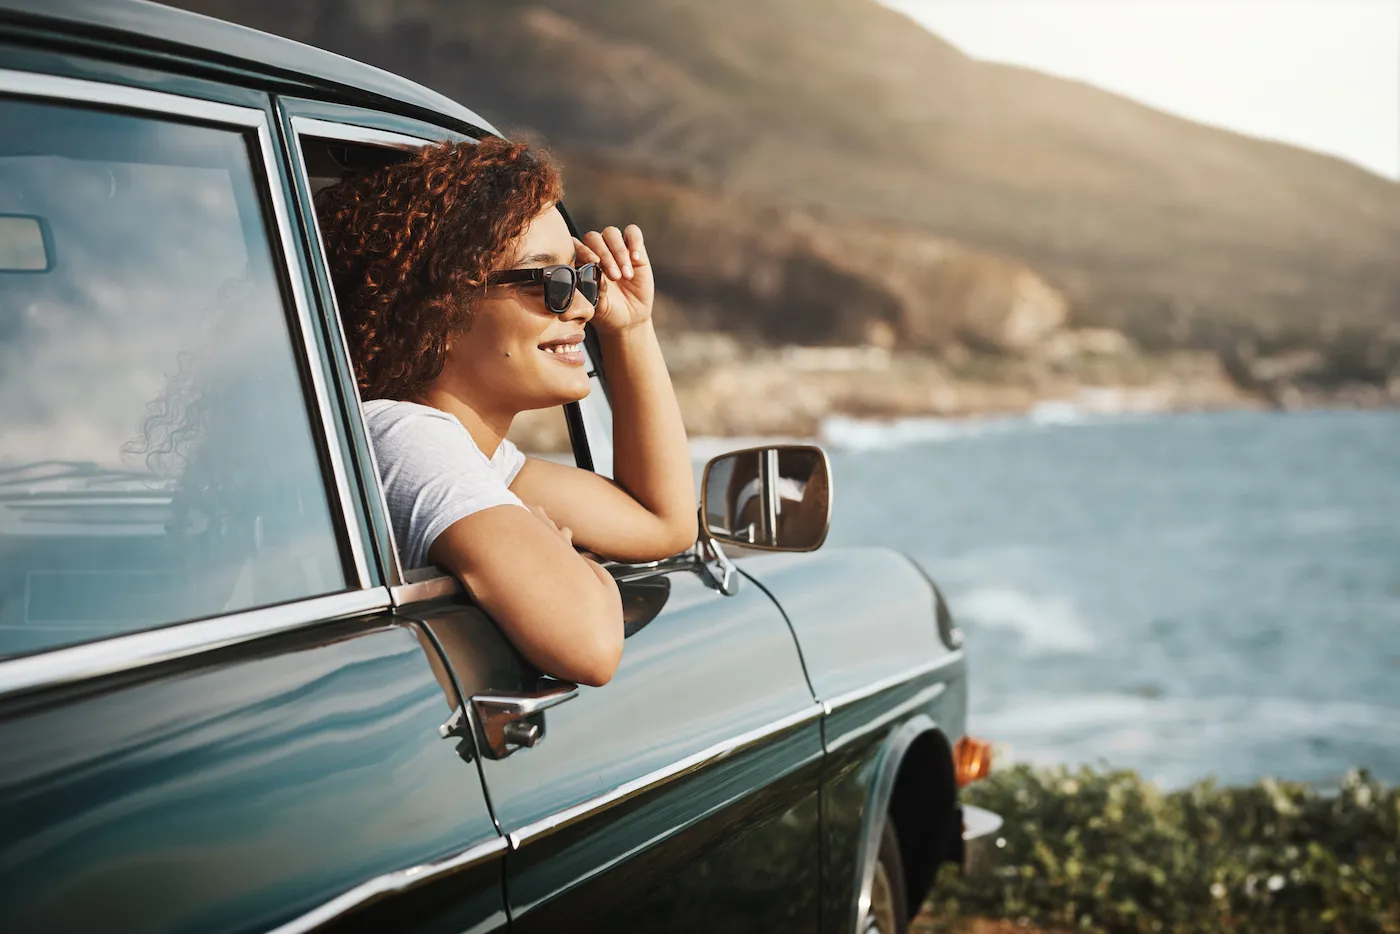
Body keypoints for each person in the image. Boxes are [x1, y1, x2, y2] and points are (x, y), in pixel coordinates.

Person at [315, 138, 696, 687]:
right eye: (549, 281)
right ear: (438, 308)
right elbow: (590, 647)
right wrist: (570, 563)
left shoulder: (479, 461)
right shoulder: (405, 439)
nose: (586, 306)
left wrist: (632, 327)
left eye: (583, 277)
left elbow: (663, 524)